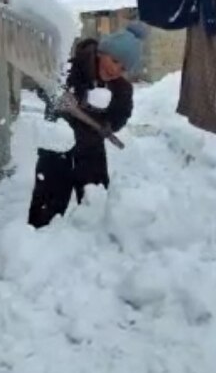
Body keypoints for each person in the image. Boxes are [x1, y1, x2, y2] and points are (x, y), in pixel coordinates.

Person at [27, 21, 147, 228]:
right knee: (47, 207)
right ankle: (37, 246)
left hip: (91, 147)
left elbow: (122, 114)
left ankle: (93, 251)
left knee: (96, 206)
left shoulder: (122, 89)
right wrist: (56, 96)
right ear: (102, 52)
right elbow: (44, 86)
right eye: (115, 60)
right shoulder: (70, 68)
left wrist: (108, 124)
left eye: (124, 67)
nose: (116, 69)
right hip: (57, 145)